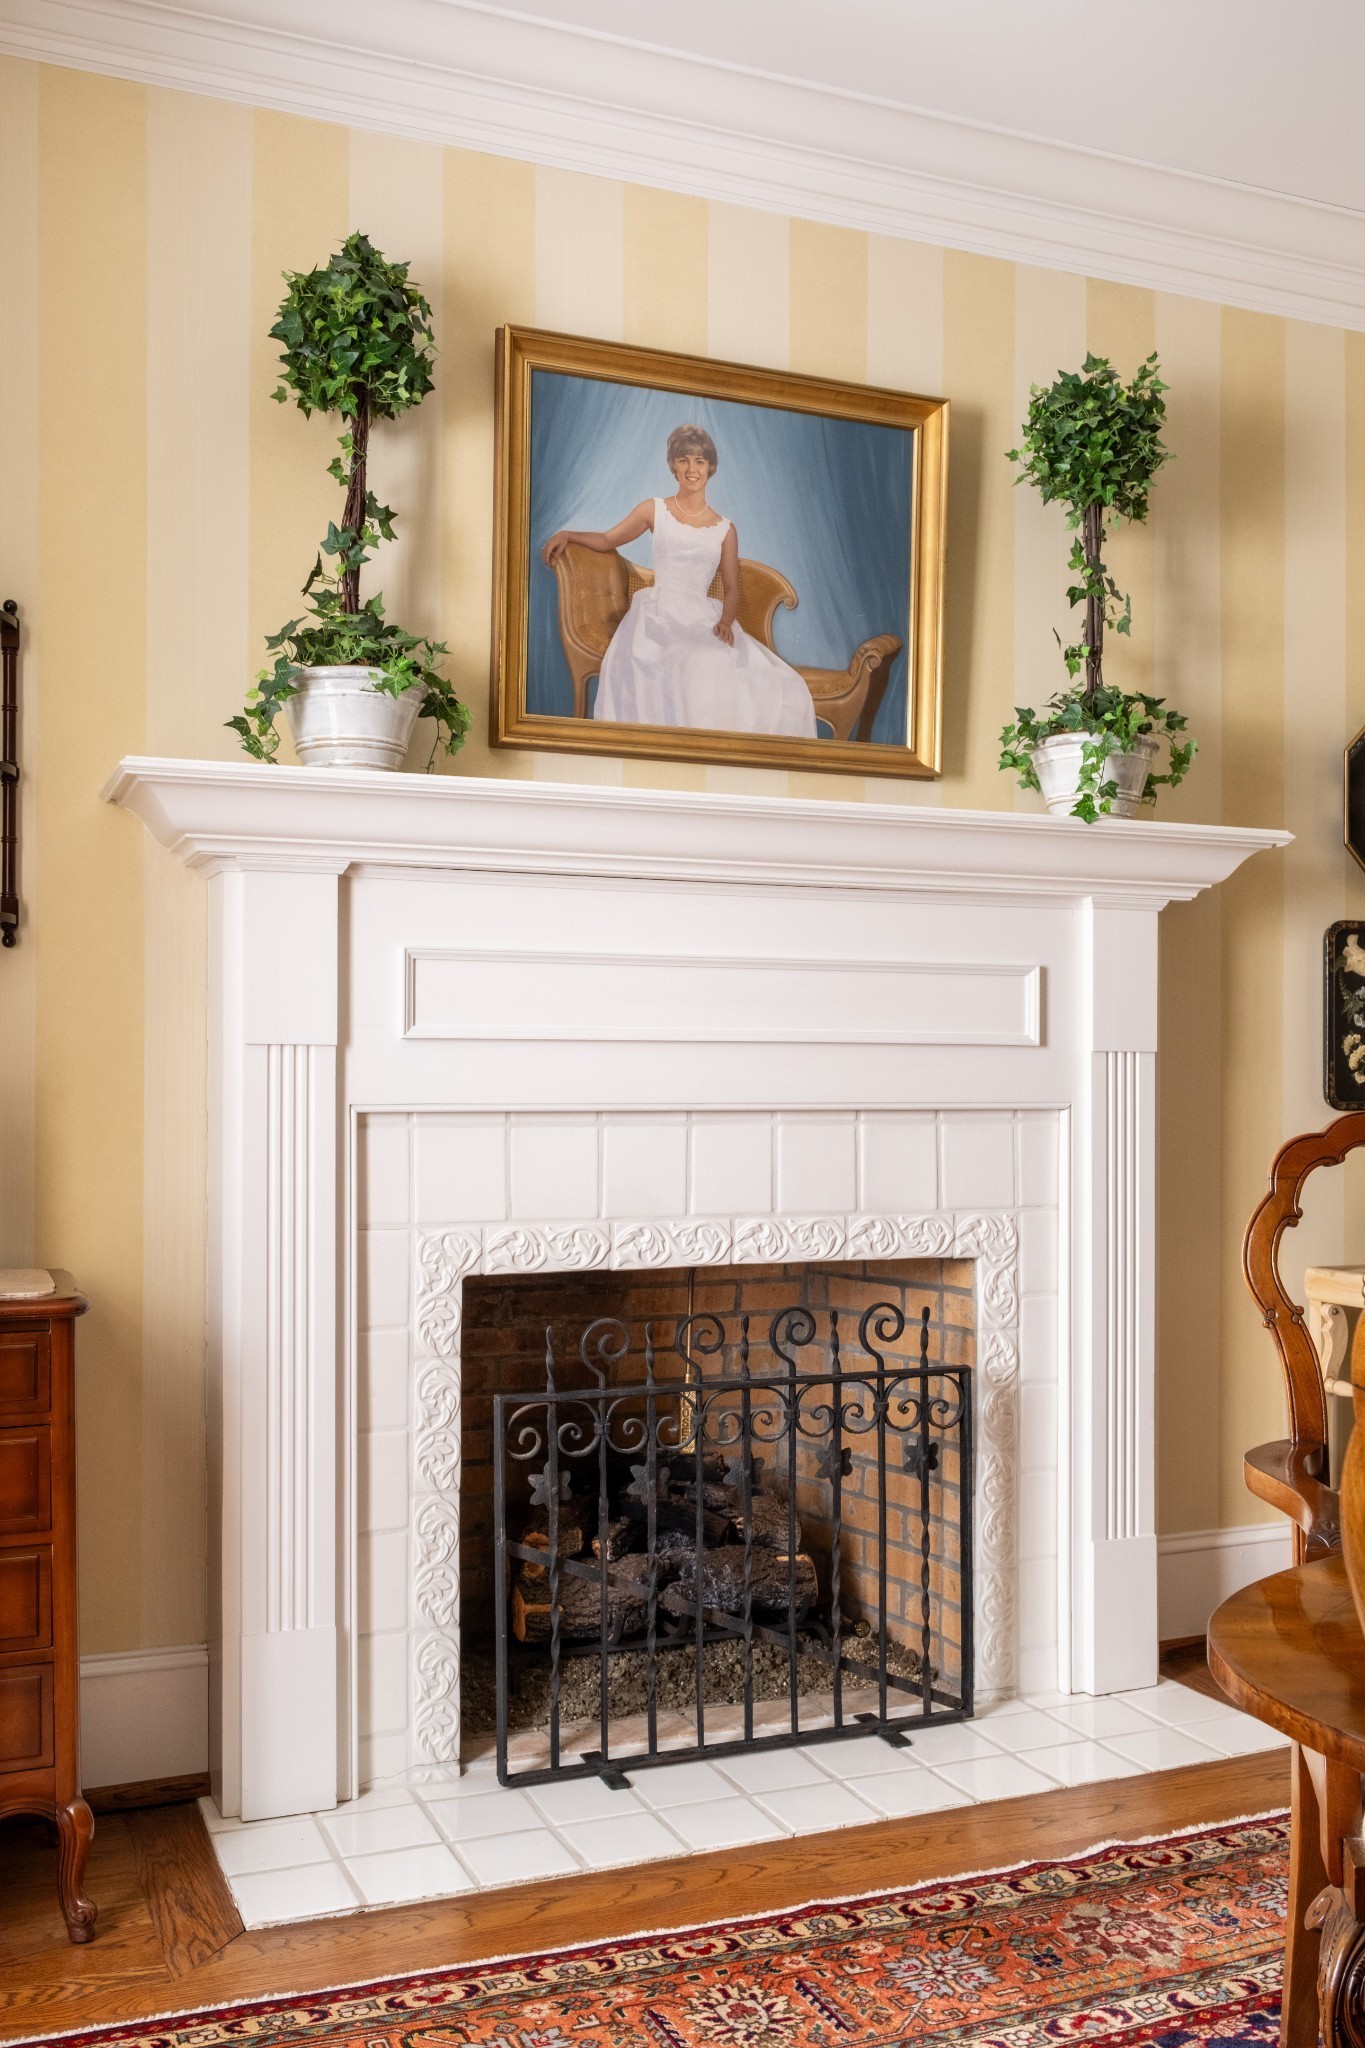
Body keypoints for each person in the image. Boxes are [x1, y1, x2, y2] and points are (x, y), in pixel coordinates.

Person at [541, 425, 817, 736]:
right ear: (674, 464)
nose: (691, 469)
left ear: (710, 468)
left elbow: (731, 589)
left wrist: (726, 621)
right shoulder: (654, 509)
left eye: (699, 461)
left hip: (703, 614)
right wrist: (568, 534)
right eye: (684, 460)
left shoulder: (725, 529)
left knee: (742, 671)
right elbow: (607, 539)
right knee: (684, 659)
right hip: (659, 611)